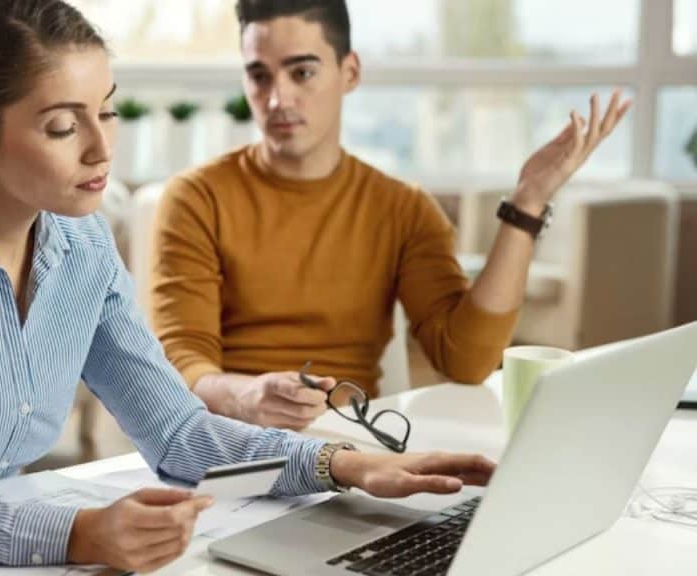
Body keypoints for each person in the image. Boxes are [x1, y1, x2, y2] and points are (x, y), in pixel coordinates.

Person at [0, 0, 495, 572]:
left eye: (109, 111)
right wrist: (79, 533)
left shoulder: (82, 242)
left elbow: (179, 433)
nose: (102, 147)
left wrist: (348, 464)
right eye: (64, 126)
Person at [150, 0, 630, 431]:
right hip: (229, 441)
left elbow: (465, 360)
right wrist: (247, 397)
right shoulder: (196, 198)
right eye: (259, 76)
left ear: (350, 72)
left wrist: (526, 204)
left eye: (301, 73)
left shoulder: (402, 208)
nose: (278, 99)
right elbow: (182, 363)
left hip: (353, 451)